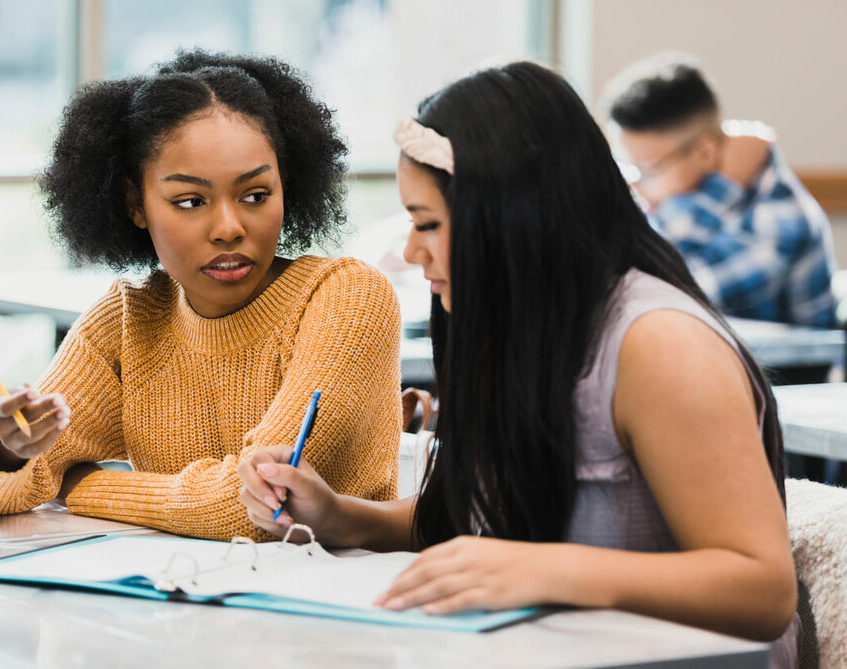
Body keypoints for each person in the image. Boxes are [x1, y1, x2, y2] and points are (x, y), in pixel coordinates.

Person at [238, 62, 801, 663]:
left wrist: (547, 570)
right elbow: (477, 526)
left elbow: (761, 590)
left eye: (428, 223)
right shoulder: (517, 321)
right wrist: (341, 518)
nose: (409, 251)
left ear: (510, 216)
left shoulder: (659, 344)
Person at [0, 50, 402, 542]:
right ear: (135, 205)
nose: (229, 228)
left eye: (255, 195)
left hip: (336, 601)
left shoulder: (347, 298)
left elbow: (251, 509)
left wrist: (80, 487)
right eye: (190, 201)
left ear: (286, 187)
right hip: (176, 600)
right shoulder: (128, 319)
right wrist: (8, 448)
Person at [602, 53, 838, 329]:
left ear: (705, 152)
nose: (635, 185)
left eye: (646, 170)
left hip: (795, 368)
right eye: (626, 168)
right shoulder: (684, 191)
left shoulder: (781, 217)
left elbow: (674, 294)